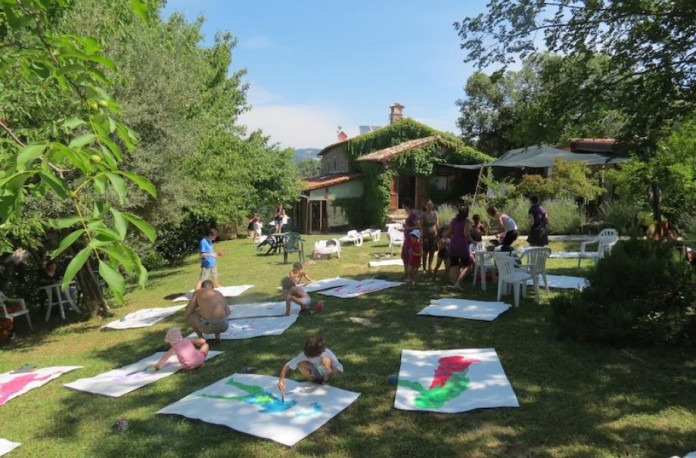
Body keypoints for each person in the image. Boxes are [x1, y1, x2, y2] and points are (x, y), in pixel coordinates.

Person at [277, 335, 343, 394]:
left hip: (324, 373)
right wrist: (281, 379)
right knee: (300, 364)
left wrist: (330, 370)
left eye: (311, 356)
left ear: (319, 353)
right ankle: (313, 380)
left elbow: (339, 368)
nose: (309, 357)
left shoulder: (326, 352)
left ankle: (325, 380)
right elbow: (287, 365)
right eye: (308, 355)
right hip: (313, 374)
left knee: (326, 359)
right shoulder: (303, 355)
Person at [443, 203, 473, 290]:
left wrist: (443, 237)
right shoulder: (467, 222)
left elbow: (448, 232)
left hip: (453, 245)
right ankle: (458, 282)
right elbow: (466, 234)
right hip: (462, 245)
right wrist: (472, 241)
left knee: (454, 265)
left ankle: (454, 283)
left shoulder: (453, 220)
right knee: (466, 266)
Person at [400, 197, 420, 279]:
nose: (403, 207)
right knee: (404, 256)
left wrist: (408, 228)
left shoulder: (413, 214)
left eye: (403, 205)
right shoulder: (410, 214)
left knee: (408, 257)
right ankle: (406, 274)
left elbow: (418, 226)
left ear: (406, 205)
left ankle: (409, 275)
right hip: (407, 239)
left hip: (411, 240)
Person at [420, 199, 439, 275]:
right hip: (426, 236)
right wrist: (421, 236)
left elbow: (437, 225)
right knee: (425, 253)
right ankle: (424, 268)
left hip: (433, 236)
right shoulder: (423, 215)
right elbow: (421, 226)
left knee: (432, 252)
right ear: (426, 206)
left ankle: (430, 268)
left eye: (431, 205)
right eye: (428, 205)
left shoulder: (435, 214)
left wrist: (438, 235)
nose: (429, 206)